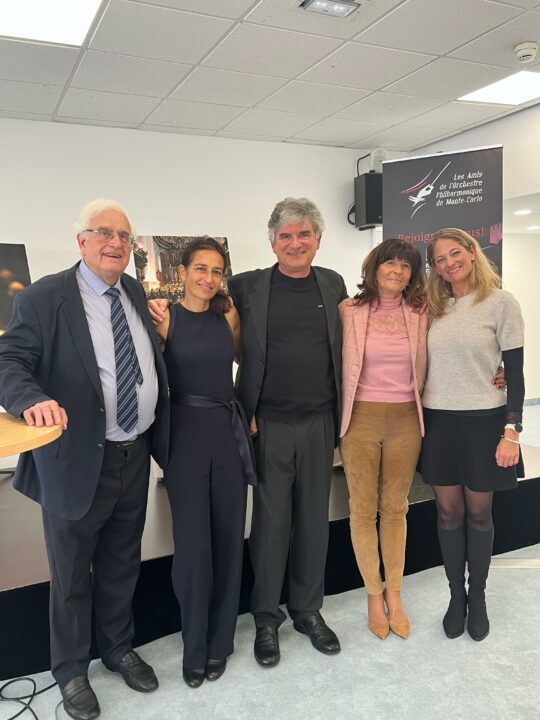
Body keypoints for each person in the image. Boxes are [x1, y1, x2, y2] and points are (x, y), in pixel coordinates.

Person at [0, 200, 169, 720]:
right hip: (75, 459)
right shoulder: (43, 297)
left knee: (122, 562)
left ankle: (117, 649)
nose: (115, 243)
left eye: (124, 235)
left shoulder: (134, 291)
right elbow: (9, 361)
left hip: (134, 454)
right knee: (71, 573)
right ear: (81, 241)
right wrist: (31, 399)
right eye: (103, 232)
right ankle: (71, 669)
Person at [228, 198, 347, 667]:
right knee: (271, 525)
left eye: (304, 234)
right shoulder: (247, 286)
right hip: (269, 423)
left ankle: (307, 610)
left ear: (318, 239)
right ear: (272, 242)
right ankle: (265, 616)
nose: (295, 243)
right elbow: (204, 317)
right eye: (286, 236)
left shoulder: (332, 283)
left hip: (320, 421)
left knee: (315, 521)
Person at [154, 237, 255, 689]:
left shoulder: (228, 315)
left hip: (228, 434)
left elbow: (243, 362)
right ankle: (194, 645)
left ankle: (221, 641)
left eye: (217, 271)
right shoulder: (164, 318)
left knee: (229, 541)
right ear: (182, 272)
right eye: (201, 269)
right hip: (185, 437)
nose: (209, 278)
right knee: (193, 548)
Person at [421, 228, 524, 641]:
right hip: (438, 423)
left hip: (485, 422)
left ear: (471, 252)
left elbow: (515, 374)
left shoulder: (501, 302)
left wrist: (512, 431)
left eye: (455, 253)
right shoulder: (431, 307)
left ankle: (477, 596)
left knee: (479, 514)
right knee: (448, 514)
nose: (449, 263)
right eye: (440, 259)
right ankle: (456, 597)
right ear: (434, 268)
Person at [339, 238, 429, 640]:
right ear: (374, 269)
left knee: (395, 509)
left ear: (412, 275)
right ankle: (373, 595)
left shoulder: (422, 313)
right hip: (359, 420)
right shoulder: (349, 311)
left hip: (406, 421)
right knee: (362, 510)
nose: (397, 270)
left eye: (405, 266)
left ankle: (395, 593)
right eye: (389, 263)